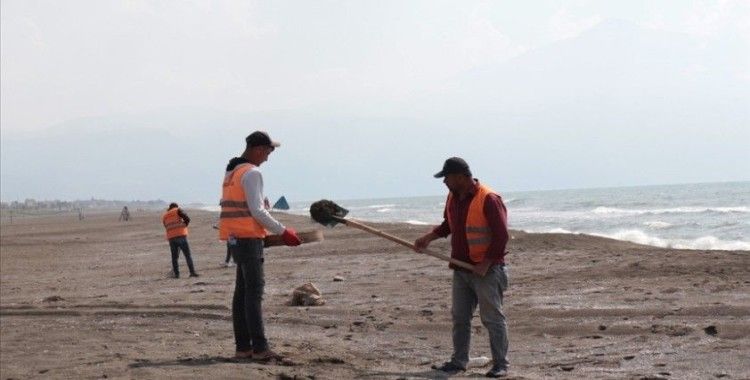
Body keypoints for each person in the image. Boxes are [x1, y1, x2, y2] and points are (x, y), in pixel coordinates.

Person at [413, 157, 510, 378]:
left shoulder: (488, 199)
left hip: (487, 271)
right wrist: (429, 237)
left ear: (459, 177)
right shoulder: (453, 197)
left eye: (446, 177)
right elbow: (449, 224)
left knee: (492, 318)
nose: (444, 182)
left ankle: (501, 364)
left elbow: (502, 235)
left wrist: (485, 263)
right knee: (460, 317)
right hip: (461, 269)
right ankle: (458, 361)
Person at [219, 130, 302, 361]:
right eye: (267, 151)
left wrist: (264, 211)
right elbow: (256, 211)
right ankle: (260, 348)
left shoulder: (232, 171)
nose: (268, 157)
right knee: (253, 294)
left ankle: (243, 347)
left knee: (241, 294)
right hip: (248, 239)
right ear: (257, 149)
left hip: (235, 239)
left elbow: (247, 207)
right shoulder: (252, 173)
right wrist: (284, 231)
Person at [162, 203, 199, 278]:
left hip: (171, 238)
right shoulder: (178, 210)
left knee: (174, 257)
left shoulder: (165, 216)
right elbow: (187, 218)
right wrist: (184, 225)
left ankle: (176, 274)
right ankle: (192, 272)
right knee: (187, 255)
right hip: (181, 235)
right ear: (176, 206)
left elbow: (166, 226)